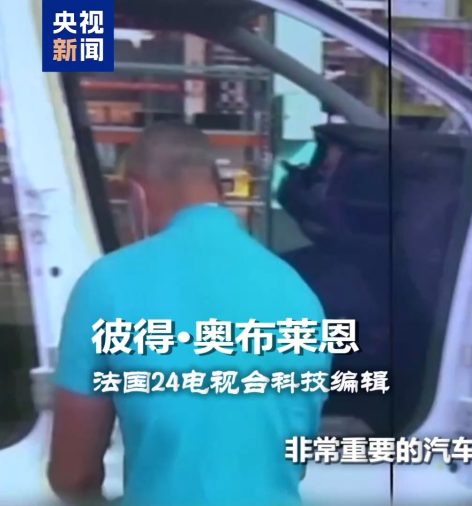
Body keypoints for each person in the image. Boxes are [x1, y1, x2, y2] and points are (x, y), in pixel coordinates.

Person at [48, 122, 331, 506]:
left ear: (137, 195)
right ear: (220, 188)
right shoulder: (299, 294)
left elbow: (73, 475)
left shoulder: (107, 283)